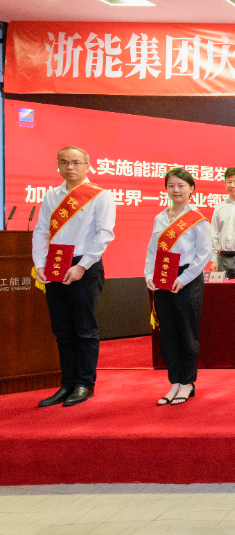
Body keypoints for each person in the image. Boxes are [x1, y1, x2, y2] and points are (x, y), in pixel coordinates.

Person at [32, 146, 116, 408]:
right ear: (58, 165)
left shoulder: (100, 196)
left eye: (76, 162)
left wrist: (82, 266)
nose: (70, 167)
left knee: (84, 328)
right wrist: (40, 264)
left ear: (87, 165)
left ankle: (85, 384)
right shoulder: (51, 196)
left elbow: (104, 234)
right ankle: (67, 383)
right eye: (64, 162)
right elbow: (41, 231)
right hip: (55, 263)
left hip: (84, 265)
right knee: (62, 330)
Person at [144, 168, 211, 406]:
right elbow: (152, 251)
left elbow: (204, 255)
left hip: (187, 279)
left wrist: (183, 279)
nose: (176, 190)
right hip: (162, 278)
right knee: (168, 333)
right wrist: (149, 275)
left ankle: (187, 382)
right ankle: (174, 381)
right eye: (171, 185)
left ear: (191, 188)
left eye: (181, 186)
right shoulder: (160, 218)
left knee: (187, 332)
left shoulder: (198, 219)